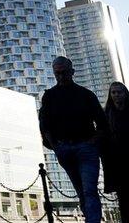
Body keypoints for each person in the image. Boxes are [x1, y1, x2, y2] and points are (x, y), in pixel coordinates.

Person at [39, 56, 106, 223]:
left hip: (86, 147)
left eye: (64, 73)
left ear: (72, 72)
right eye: (57, 73)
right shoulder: (49, 96)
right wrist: (55, 146)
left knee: (89, 190)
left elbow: (102, 123)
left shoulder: (86, 95)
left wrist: (92, 142)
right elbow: (44, 124)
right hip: (64, 149)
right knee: (82, 190)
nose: (61, 77)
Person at [103, 81, 129, 218]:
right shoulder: (107, 114)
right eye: (113, 92)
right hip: (117, 162)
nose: (116, 95)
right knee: (123, 200)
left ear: (125, 94)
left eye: (119, 92)